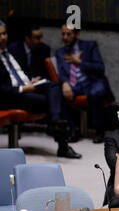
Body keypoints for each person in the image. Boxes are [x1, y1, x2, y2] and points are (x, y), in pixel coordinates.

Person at [0, 20, 81, 159]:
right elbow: (2, 88)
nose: (3, 37)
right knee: (52, 101)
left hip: (26, 88)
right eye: (0, 34)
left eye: (4, 33)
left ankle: (55, 120)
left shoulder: (7, 52)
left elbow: (17, 73)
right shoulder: (12, 49)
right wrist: (23, 88)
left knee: (53, 86)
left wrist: (30, 80)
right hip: (11, 96)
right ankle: (62, 142)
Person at [56, 24, 114, 144]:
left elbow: (100, 68)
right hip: (75, 84)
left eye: (69, 34)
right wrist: (65, 83)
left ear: (76, 34)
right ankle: (73, 129)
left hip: (92, 81)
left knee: (95, 93)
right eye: (63, 34)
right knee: (59, 92)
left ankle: (99, 130)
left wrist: (80, 62)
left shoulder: (90, 46)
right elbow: (61, 72)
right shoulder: (60, 52)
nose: (65, 37)